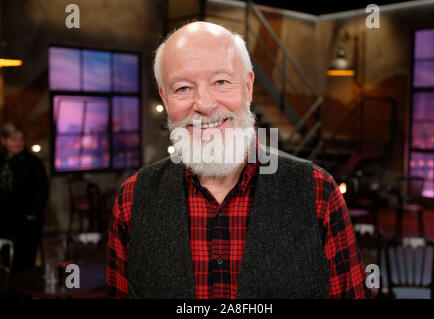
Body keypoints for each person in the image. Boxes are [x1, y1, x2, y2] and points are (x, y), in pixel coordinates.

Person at [107, 21, 370, 299]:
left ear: (248, 86)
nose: (205, 105)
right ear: (164, 97)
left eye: (221, 82)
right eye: (183, 88)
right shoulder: (132, 199)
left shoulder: (318, 192)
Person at [0, 123, 49, 273]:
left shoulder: (33, 163)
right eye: (14, 140)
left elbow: (43, 189)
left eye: (21, 139)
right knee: (7, 264)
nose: (18, 143)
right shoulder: (1, 162)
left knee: (26, 265)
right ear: (4, 141)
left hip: (27, 223)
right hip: (4, 222)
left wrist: (32, 213)